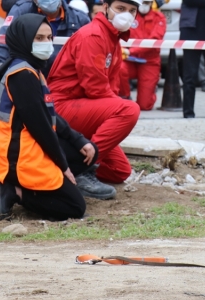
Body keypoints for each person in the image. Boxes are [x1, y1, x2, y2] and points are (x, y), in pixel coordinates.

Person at [0, 14, 99, 221]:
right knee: (75, 207)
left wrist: (78, 139)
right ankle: (15, 191)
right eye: (39, 38)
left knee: (88, 152)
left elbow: (48, 115)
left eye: (49, 38)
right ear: (23, 39)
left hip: (22, 145)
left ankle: (44, 186)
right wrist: (63, 166)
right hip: (14, 157)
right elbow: (42, 129)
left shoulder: (30, 68)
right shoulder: (22, 76)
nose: (46, 44)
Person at [46, 0, 142, 191]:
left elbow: (109, 88)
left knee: (119, 171)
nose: (127, 15)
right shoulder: (93, 35)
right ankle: (78, 170)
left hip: (83, 106)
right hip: (63, 106)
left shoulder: (112, 37)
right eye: (121, 8)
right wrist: (117, 112)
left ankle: (63, 165)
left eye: (132, 11)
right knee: (129, 110)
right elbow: (95, 88)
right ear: (105, 8)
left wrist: (111, 111)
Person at [0, 0, 91, 77]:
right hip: (29, 80)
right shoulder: (21, 11)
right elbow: (1, 46)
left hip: (63, 86)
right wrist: (9, 76)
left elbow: (90, 58)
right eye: (40, 37)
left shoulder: (80, 19)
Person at [121, 0, 166, 110]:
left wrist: (131, 51)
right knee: (118, 68)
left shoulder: (159, 18)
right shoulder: (128, 16)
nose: (144, 5)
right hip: (128, 60)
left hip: (149, 61)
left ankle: (148, 95)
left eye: (147, 2)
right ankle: (124, 97)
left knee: (145, 105)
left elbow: (154, 41)